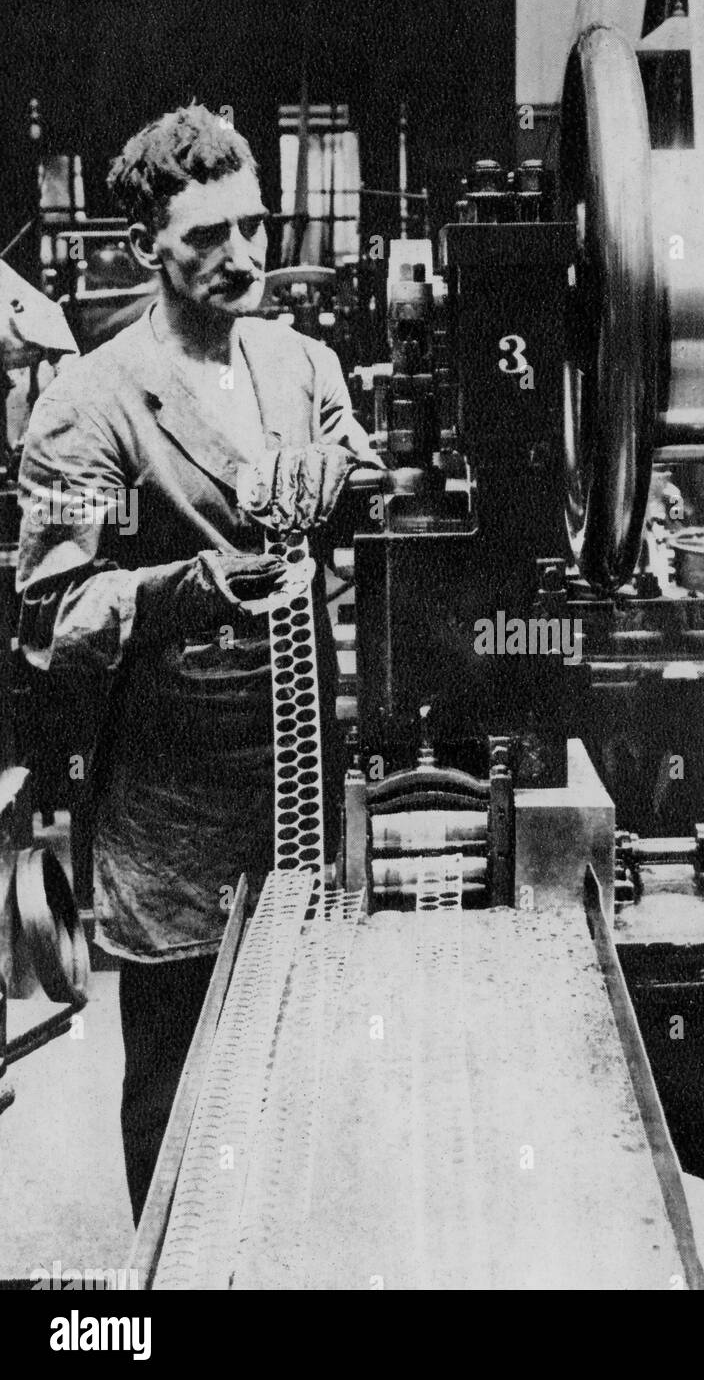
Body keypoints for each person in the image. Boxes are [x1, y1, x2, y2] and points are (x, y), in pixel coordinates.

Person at [16, 104, 381, 1224]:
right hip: (169, 826)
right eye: (206, 238)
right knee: (180, 1106)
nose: (243, 257)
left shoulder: (305, 362)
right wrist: (188, 590)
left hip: (304, 802)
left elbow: (362, 495)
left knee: (307, 1093)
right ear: (144, 248)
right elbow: (48, 615)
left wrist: (348, 496)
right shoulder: (89, 405)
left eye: (254, 226)